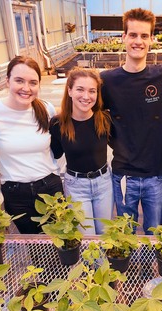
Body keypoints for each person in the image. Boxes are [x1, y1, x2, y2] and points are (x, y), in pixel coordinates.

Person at [100, 8, 162, 234]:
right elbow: (85, 109)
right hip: (123, 174)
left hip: (155, 174)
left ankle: (148, 260)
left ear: (152, 39)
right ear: (124, 37)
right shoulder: (107, 81)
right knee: (125, 234)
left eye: (144, 35)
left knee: (154, 232)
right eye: (133, 35)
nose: (138, 41)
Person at [0, 56, 63, 234]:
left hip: (49, 187)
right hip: (16, 193)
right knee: (33, 242)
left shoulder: (45, 108)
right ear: (7, 81)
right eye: (19, 81)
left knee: (59, 239)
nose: (26, 88)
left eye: (33, 82)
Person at [50, 67, 112, 235]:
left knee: (105, 234)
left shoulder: (105, 119)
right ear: (69, 90)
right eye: (80, 89)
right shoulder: (57, 124)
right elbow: (55, 153)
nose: (86, 96)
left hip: (104, 183)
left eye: (92, 91)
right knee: (86, 237)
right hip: (76, 186)